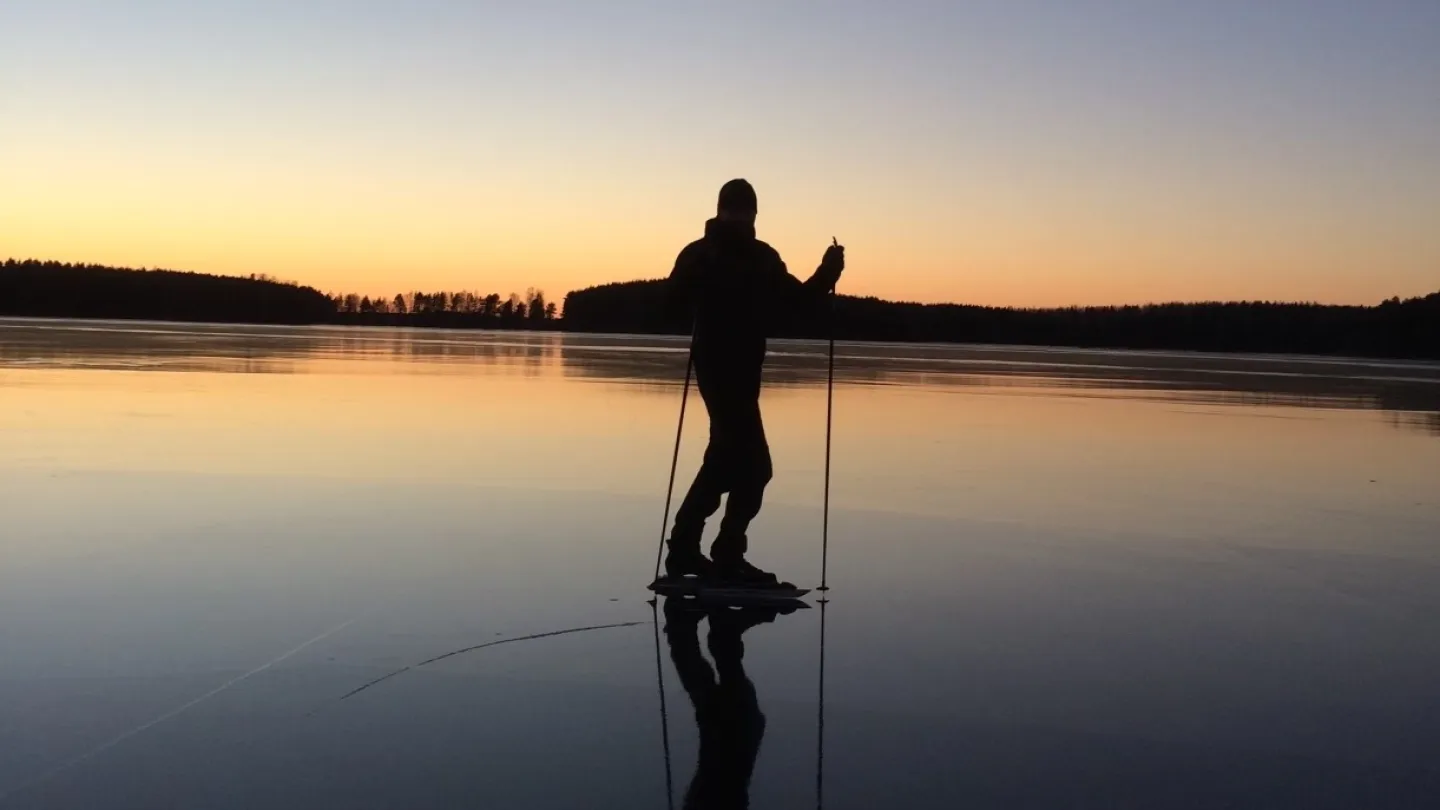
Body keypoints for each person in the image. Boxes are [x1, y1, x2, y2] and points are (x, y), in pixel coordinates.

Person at [663, 178, 844, 588]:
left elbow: (794, 303)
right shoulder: (724, 255)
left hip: (733, 369)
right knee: (752, 465)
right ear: (730, 211)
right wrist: (827, 273)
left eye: (743, 210)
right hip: (722, 367)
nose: (741, 216)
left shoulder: (718, 254)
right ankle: (715, 554)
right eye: (738, 209)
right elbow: (673, 302)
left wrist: (826, 273)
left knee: (729, 459)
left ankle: (692, 549)